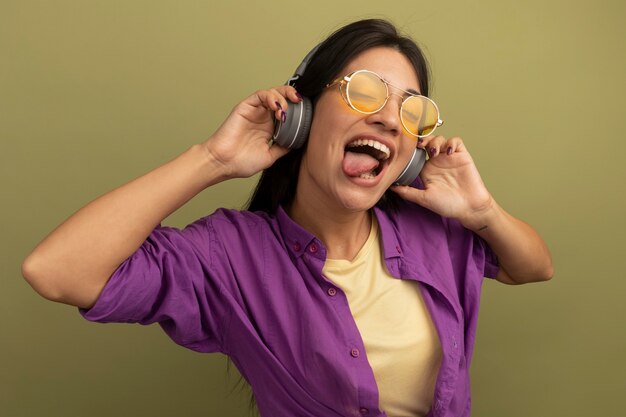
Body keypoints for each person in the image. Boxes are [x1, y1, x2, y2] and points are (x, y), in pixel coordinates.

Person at [22, 18, 553, 417]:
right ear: (301, 113)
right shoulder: (228, 257)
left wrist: (482, 211)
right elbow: (56, 271)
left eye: (411, 108)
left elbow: (533, 266)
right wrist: (212, 160)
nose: (390, 119)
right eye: (365, 91)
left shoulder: (434, 225)